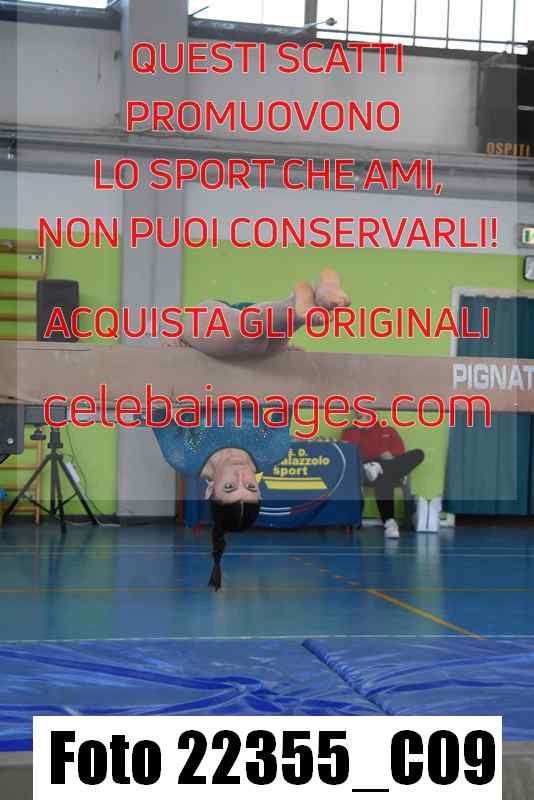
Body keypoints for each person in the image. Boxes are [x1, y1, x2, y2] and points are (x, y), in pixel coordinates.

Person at [153, 269, 350, 589]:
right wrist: (292, 370)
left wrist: (168, 364)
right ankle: (309, 301)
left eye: (231, 487)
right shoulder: (271, 451)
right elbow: (285, 396)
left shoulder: (183, 456)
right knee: (256, 343)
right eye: (251, 486)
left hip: (207, 338)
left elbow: (155, 404)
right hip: (261, 349)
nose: (242, 475)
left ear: (209, 491)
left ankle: (301, 307)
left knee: (243, 336)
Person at [342, 414, 424, 539]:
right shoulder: (349, 432)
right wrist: (358, 429)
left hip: (386, 466)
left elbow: (400, 451)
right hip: (364, 471)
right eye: (360, 415)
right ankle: (390, 523)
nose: (364, 418)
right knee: (385, 477)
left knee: (418, 453)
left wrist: (390, 454)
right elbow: (349, 453)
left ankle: (378, 467)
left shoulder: (388, 430)